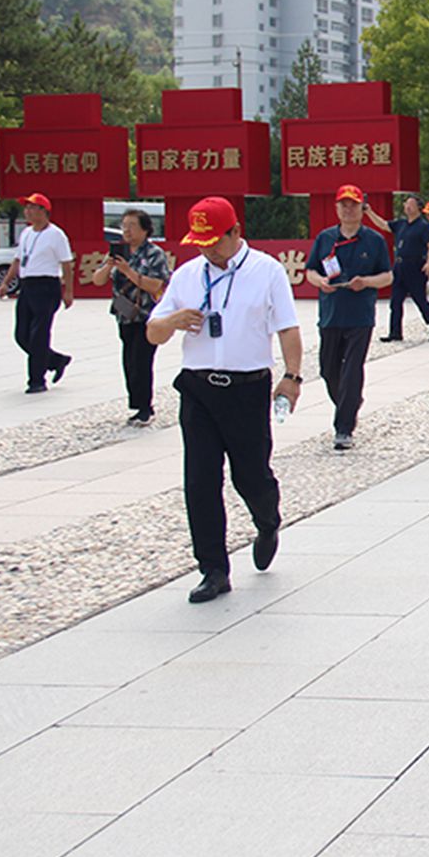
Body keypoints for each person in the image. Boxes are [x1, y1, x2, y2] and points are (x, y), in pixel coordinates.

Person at [146, 196, 303, 604]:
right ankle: (213, 569)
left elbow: (287, 328)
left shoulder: (266, 271)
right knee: (200, 481)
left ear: (236, 232)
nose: (206, 249)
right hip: (197, 389)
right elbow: (153, 332)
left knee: (249, 475)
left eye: (214, 240)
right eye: (199, 241)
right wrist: (171, 322)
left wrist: (291, 376)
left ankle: (267, 519)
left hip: (247, 388)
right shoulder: (186, 275)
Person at [304, 184, 394, 451]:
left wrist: (365, 282)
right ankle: (350, 402)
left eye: (353, 204)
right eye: (343, 204)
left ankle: (344, 428)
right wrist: (320, 281)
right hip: (331, 314)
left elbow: (387, 276)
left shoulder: (374, 240)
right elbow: (310, 270)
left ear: (361, 208)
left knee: (352, 369)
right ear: (336, 208)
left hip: (359, 316)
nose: (348, 209)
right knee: (328, 369)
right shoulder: (325, 238)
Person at [90, 207, 170, 423]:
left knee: (141, 361)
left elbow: (157, 284)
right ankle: (136, 403)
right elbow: (97, 280)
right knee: (129, 362)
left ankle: (145, 408)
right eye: (124, 226)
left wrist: (128, 272)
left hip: (146, 316)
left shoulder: (154, 254)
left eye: (132, 226)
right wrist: (109, 266)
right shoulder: (118, 253)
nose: (127, 230)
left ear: (145, 229)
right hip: (124, 315)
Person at [0, 192, 75, 394]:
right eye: (26, 208)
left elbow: (67, 264)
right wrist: (6, 282)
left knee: (39, 335)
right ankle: (56, 360)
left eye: (32, 207)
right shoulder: (26, 233)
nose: (28, 212)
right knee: (22, 335)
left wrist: (68, 291)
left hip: (47, 286)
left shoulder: (56, 235)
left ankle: (36, 380)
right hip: (27, 286)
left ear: (43, 211)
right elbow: (17, 260)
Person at [381, 195, 429, 343]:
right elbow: (384, 225)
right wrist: (368, 212)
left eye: (411, 204)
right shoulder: (401, 224)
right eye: (406, 203)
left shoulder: (423, 226)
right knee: (396, 301)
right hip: (400, 266)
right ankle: (395, 332)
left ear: (418, 208)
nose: (407, 206)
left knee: (420, 299)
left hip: (415, 266)